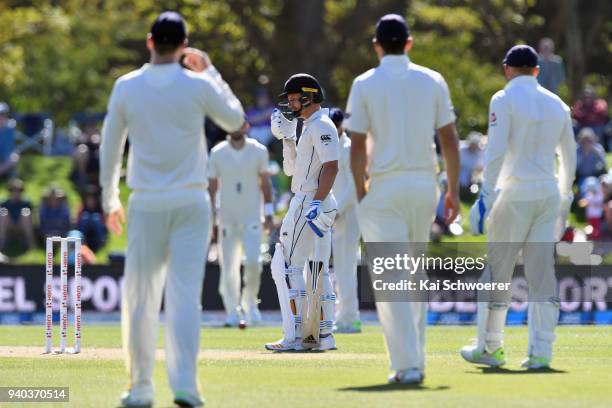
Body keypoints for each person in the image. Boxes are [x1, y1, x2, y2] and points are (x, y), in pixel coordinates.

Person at [99, 11, 245, 408]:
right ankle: (186, 387)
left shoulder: (126, 86)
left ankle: (142, 388)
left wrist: (110, 199)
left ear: (150, 41)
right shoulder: (196, 84)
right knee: (184, 297)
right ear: (183, 47)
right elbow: (236, 119)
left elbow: (110, 149)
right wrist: (211, 72)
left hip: (146, 201)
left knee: (141, 298)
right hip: (191, 201)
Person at [345, 14, 460, 384]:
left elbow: (358, 144)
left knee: (392, 278)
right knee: (411, 274)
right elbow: (449, 140)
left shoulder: (364, 83)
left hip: (386, 185)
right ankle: (414, 362)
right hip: (425, 186)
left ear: (377, 45)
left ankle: (409, 365)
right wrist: (454, 190)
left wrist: (360, 189)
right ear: (408, 43)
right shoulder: (432, 79)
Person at [465, 45, 576, 370]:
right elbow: (568, 159)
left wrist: (484, 196)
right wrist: (564, 199)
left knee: (497, 272)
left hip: (513, 193)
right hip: (548, 195)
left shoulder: (503, 98)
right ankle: (541, 352)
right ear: (537, 71)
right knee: (542, 273)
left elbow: (496, 151)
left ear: (507, 69)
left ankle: (490, 347)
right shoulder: (557, 104)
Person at [264, 73, 339, 352]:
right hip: (311, 199)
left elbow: (331, 167)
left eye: (295, 97)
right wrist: (287, 139)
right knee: (317, 269)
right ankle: (321, 336)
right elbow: (293, 171)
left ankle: (295, 335)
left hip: (311, 201)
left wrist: (317, 203)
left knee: (284, 265)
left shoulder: (321, 125)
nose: (292, 103)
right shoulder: (308, 126)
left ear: (309, 95)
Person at [208, 124, 274, 326]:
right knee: (229, 268)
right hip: (227, 219)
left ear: (246, 126)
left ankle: (251, 303)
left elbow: (266, 183)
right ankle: (232, 310)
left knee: (254, 264)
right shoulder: (217, 152)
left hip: (252, 217)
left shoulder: (258, 150)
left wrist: (269, 213)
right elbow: (211, 188)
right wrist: (211, 219)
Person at [328, 107, 361, 333]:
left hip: (348, 214)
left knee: (345, 267)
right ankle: (343, 315)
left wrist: (338, 209)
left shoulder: (349, 148)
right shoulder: (328, 145)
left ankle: (350, 318)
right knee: (339, 269)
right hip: (332, 213)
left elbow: (355, 184)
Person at [0, 178, 34, 250]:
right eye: (13, 190)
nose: (16, 192)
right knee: (3, 213)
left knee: (26, 212)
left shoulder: (27, 203)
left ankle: (29, 243)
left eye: (19, 190)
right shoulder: (4, 203)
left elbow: (32, 219)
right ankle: (2, 242)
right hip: (9, 227)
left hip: (21, 227)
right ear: (9, 191)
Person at [76, 186, 107, 252]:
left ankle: (101, 242)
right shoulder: (82, 208)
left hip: (97, 235)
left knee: (96, 217)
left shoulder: (101, 209)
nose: (90, 200)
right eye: (88, 198)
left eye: (92, 198)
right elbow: (77, 222)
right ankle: (81, 242)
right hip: (85, 234)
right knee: (85, 216)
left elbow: (104, 223)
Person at [459, 131, 484, 199]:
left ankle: (471, 196)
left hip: (473, 174)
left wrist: (475, 174)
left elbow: (480, 167)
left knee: (477, 183)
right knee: (463, 180)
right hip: (460, 171)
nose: (473, 146)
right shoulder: (461, 149)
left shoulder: (479, 153)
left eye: (475, 144)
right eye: (472, 143)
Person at [0, 102, 19, 180]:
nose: (1, 116)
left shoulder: (10, 129)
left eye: (3, 114)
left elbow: (11, 149)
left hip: (5, 161)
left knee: (15, 157)